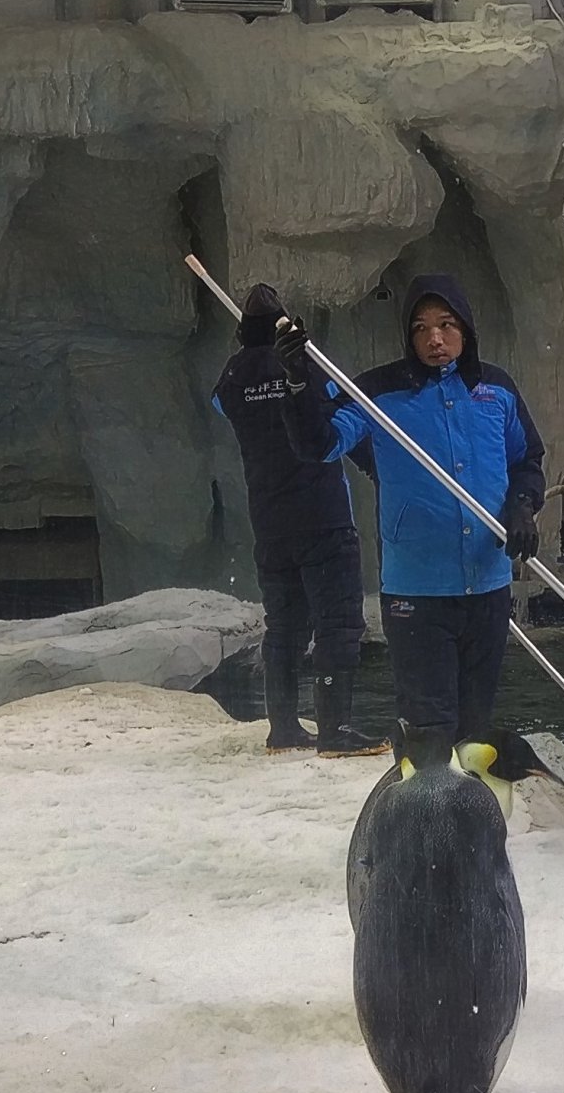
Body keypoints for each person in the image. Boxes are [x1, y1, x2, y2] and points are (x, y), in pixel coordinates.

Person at [284, 274, 545, 746]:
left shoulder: (497, 390)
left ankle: (468, 797)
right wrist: (298, 383)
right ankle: (424, 796)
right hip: (416, 593)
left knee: (474, 731)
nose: (434, 339)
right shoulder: (377, 393)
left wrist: (522, 506)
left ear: (465, 329)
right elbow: (317, 444)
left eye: (446, 325)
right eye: (421, 328)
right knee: (427, 731)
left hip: (488, 586)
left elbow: (526, 460)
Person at [211, 286, 381, 755]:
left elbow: (221, 403)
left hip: (270, 523)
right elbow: (339, 418)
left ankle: (283, 728)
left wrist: (251, 359)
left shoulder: (232, 378)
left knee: (284, 627)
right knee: (338, 623)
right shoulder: (309, 369)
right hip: (323, 515)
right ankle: (335, 729)